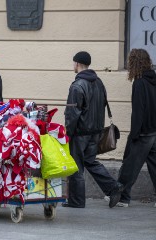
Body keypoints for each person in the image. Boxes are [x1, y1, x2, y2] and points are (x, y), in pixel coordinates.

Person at [63, 51, 122, 208]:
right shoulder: (99, 82)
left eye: (73, 63)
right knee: (91, 161)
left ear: (77, 64)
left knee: (77, 166)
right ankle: (113, 187)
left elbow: (72, 113)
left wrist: (68, 132)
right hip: (95, 132)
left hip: (80, 133)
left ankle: (76, 201)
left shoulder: (77, 86)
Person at [109, 49, 156, 208]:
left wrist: (134, 134)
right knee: (154, 166)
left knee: (130, 165)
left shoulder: (140, 82)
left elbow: (138, 111)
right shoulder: (153, 79)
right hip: (154, 131)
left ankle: (122, 197)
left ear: (134, 63)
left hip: (142, 132)